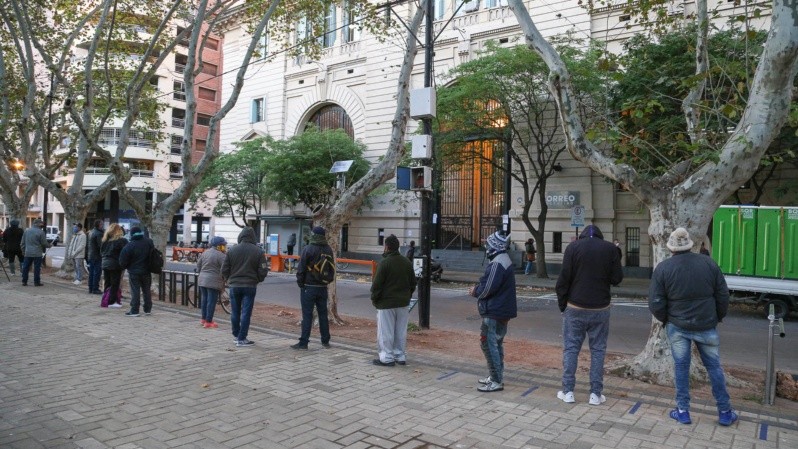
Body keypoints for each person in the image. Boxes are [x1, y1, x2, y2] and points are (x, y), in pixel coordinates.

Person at [649, 227, 738, 426]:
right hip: (706, 324)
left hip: (677, 325)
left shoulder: (663, 268)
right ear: (690, 245)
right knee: (714, 367)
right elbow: (723, 295)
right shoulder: (709, 263)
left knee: (681, 368)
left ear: (671, 248)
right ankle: (725, 411)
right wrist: (717, 317)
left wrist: (667, 319)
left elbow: (655, 302)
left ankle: (683, 411)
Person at [555, 224, 623, 405]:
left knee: (571, 348)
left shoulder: (573, 248)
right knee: (598, 350)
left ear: (583, 235)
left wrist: (563, 305)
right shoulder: (610, 249)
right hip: (600, 307)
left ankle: (568, 391)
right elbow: (617, 278)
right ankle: (595, 394)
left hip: (575, 305)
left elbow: (563, 279)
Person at [468, 231, 517, 392]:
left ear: (494, 246)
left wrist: (475, 291)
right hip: (501, 310)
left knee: (488, 344)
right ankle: (496, 376)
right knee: (496, 344)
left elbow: (488, 288)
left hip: (495, 310)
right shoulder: (503, 260)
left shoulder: (497, 263)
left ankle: (496, 380)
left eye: (488, 244)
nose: (485, 247)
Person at [371, 234, 416, 366]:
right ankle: (400, 355)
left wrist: (375, 300)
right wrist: (407, 295)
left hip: (386, 303)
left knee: (385, 332)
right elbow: (413, 283)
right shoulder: (406, 262)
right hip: (403, 303)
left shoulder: (384, 263)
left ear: (386, 247)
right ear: (398, 247)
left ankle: (386, 357)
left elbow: (377, 285)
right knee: (400, 331)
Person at [222, 226, 269, 347]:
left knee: (235, 311)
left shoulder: (232, 250)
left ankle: (236, 335)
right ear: (253, 237)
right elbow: (263, 270)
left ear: (240, 236)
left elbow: (224, 269)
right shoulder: (258, 251)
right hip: (250, 285)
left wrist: (229, 279)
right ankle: (242, 338)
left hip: (234, 285)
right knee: (246, 312)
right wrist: (258, 279)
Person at [292, 226, 334, 350]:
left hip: (309, 287)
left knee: (307, 315)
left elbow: (301, 269)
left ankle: (304, 342)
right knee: (323, 314)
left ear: (313, 235)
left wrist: (301, 284)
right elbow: (331, 269)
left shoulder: (308, 248)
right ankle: (325, 341)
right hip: (323, 287)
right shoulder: (328, 249)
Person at [118, 226, 154, 317]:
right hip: (147, 271)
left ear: (131, 234)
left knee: (135, 291)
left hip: (134, 272)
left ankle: (135, 310)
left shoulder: (129, 245)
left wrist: (127, 267)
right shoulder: (149, 242)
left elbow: (122, 261)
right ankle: (148, 309)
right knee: (147, 290)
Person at [196, 236, 227, 328]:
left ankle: (203, 319)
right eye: (223, 245)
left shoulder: (205, 253)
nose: (224, 247)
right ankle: (209, 321)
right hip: (214, 281)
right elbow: (225, 269)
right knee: (211, 301)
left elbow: (198, 266)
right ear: (219, 246)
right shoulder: (221, 255)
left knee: (204, 300)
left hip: (202, 280)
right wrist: (225, 279)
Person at [100, 223, 128, 308]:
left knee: (107, 282)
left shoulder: (105, 241)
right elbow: (126, 252)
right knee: (115, 283)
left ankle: (106, 300)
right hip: (115, 264)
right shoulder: (121, 241)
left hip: (105, 263)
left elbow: (101, 252)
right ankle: (112, 301)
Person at [20, 219, 51, 286]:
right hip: (37, 253)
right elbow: (44, 243)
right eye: (41, 224)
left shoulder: (27, 231)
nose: (42, 225)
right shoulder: (41, 232)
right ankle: (36, 282)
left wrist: (23, 251)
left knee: (25, 267)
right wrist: (49, 245)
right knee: (37, 268)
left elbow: (22, 243)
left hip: (28, 252)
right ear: (38, 224)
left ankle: (24, 281)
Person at [87, 220, 104, 294]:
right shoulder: (99, 233)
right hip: (97, 256)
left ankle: (91, 287)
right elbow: (101, 245)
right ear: (99, 225)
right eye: (102, 224)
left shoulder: (91, 232)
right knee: (97, 272)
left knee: (91, 272)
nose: (103, 226)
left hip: (91, 255)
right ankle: (95, 288)